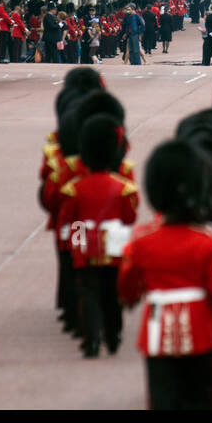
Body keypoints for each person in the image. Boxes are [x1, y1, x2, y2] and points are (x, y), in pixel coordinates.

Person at [119, 139, 212, 408]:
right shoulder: (206, 242)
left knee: (162, 397)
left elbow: (128, 283)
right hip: (199, 328)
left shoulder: (142, 240)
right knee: (199, 396)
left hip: (157, 330)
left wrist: (130, 298)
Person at [57, 113, 139, 357]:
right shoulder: (123, 187)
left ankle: (91, 339)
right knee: (112, 293)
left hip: (84, 240)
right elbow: (129, 218)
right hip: (113, 242)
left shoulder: (75, 188)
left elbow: (68, 218)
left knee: (88, 290)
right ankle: (113, 334)